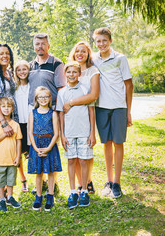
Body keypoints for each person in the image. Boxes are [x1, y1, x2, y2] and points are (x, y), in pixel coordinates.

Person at [92, 27, 133, 198]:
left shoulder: (120, 58)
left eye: (104, 40)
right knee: (106, 144)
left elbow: (129, 85)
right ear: (95, 43)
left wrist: (128, 111)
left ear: (110, 41)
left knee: (118, 143)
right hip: (101, 107)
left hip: (118, 107)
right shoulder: (93, 59)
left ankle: (117, 182)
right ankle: (108, 181)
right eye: (98, 41)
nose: (101, 44)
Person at [28, 33, 66, 194]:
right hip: (35, 112)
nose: (40, 47)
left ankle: (53, 182)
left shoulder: (56, 64)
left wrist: (57, 112)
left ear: (48, 45)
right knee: (37, 146)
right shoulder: (30, 65)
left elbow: (61, 89)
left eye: (43, 44)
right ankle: (42, 182)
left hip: (51, 112)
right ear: (34, 46)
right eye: (37, 44)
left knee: (52, 148)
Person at [56, 62, 96, 209]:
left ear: (79, 74)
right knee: (71, 161)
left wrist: (92, 133)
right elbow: (60, 114)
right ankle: (73, 191)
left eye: (74, 72)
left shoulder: (86, 89)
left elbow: (91, 111)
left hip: (84, 132)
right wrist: (63, 135)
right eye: (69, 72)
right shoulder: (62, 93)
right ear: (65, 74)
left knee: (84, 161)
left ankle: (84, 190)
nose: (71, 74)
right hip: (70, 134)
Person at [63, 41, 100, 194]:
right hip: (72, 121)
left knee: (86, 153)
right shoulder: (70, 69)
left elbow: (93, 96)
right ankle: (79, 183)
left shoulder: (93, 71)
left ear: (88, 54)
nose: (80, 54)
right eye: (77, 51)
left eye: (83, 51)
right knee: (74, 156)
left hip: (86, 116)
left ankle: (87, 181)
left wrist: (71, 102)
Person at [0, 44, 20, 199]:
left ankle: (9, 191)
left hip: (12, 117)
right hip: (1, 119)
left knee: (10, 152)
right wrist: (3, 123)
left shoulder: (8, 72)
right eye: (1, 53)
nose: (5, 56)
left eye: (7, 53)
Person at [28, 86, 62, 211]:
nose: (43, 99)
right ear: (36, 98)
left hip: (49, 144)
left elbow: (56, 133)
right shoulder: (33, 113)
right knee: (38, 172)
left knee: (51, 171)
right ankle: (38, 196)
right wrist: (36, 149)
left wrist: (48, 148)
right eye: (40, 97)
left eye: (46, 97)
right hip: (36, 144)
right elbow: (30, 133)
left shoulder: (52, 114)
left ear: (49, 98)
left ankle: (50, 195)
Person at [0, 97, 22, 212]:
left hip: (12, 158)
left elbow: (19, 141)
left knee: (11, 179)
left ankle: (10, 197)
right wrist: (4, 134)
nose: (6, 109)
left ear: (12, 108)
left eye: (9, 106)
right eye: (3, 106)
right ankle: (2, 199)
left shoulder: (15, 125)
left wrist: (18, 157)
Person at [14, 60, 31, 192]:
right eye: (19, 70)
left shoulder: (32, 85)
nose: (22, 72)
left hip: (31, 122)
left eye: (24, 69)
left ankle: (41, 180)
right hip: (19, 123)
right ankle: (23, 179)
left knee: (32, 152)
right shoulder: (14, 87)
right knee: (18, 152)